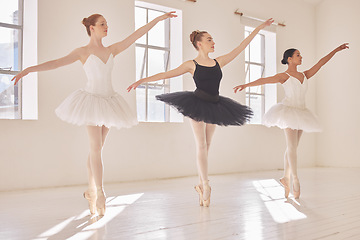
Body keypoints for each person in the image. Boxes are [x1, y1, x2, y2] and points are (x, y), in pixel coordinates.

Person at [12, 12, 177, 216]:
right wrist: (29, 69)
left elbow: (135, 36)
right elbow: (56, 63)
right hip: (90, 101)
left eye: (107, 24)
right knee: (96, 149)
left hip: (109, 102)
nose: (106, 27)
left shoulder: (111, 50)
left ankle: (91, 191)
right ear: (92, 28)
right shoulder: (82, 52)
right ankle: (100, 192)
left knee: (96, 150)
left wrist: (158, 20)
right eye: (102, 24)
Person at [127, 19, 273, 207]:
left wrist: (259, 28)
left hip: (215, 104)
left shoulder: (218, 61)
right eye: (210, 39)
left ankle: (200, 184)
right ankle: (205, 184)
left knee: (207, 145)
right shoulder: (191, 64)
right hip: (196, 104)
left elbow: (241, 47)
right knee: (201, 145)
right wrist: (142, 80)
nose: (213, 43)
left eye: (213, 40)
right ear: (199, 43)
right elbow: (167, 74)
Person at [233, 43, 349, 199]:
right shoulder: (284, 76)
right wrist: (245, 85)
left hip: (301, 112)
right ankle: (295, 179)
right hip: (287, 111)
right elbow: (264, 80)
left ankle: (285, 178)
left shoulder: (305, 75)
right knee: (292, 148)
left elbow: (321, 62)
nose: (301, 57)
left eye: (300, 55)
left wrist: (336, 50)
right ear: (289, 59)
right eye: (298, 55)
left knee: (292, 148)